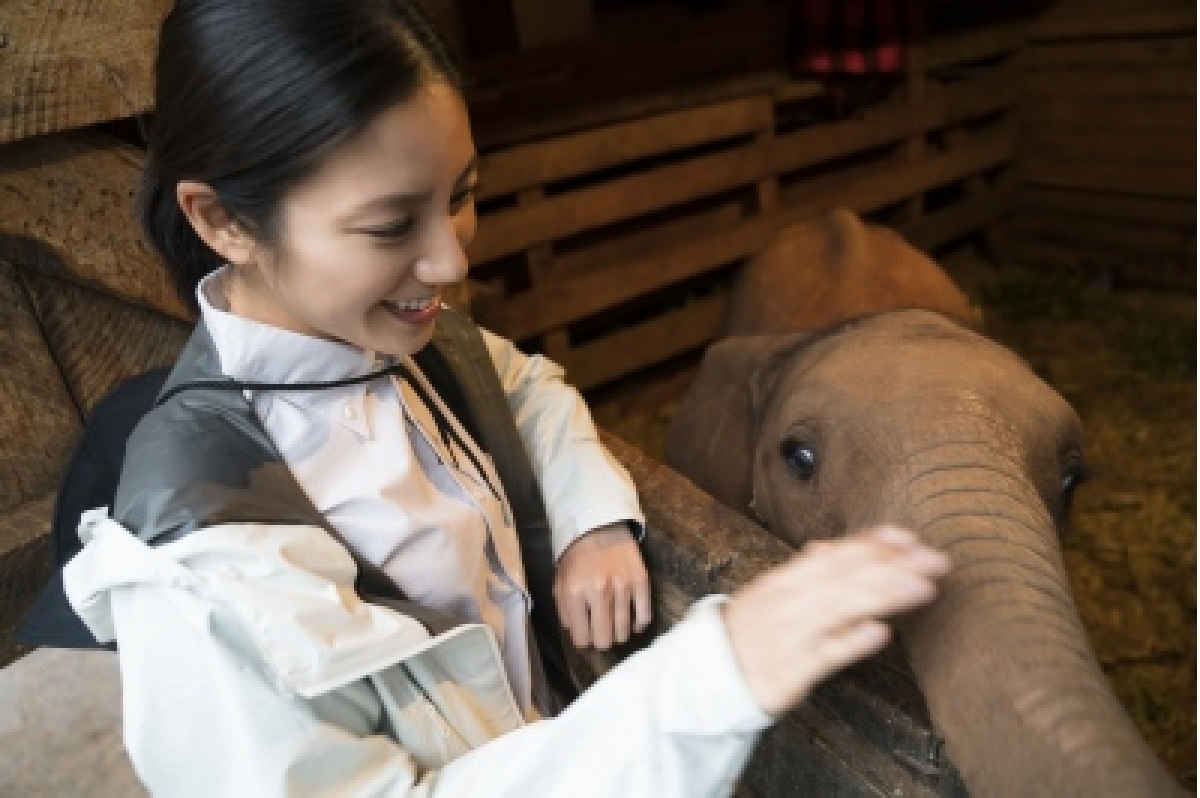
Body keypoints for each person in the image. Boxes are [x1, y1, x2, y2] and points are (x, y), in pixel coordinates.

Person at [59, 1, 951, 795]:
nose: (452, 261)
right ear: (224, 222)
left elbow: (527, 389)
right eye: (389, 225)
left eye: (462, 195)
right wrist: (710, 682)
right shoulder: (197, 571)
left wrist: (592, 520)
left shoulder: (408, 344)